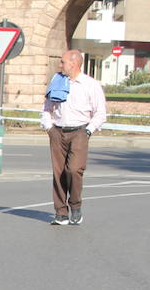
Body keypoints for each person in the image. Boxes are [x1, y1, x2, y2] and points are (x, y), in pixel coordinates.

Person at [41, 48, 107, 226]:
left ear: (74, 63)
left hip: (79, 131)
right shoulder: (57, 81)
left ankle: (75, 206)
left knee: (74, 170)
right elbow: (47, 107)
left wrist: (88, 130)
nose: (60, 64)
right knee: (59, 172)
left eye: (63, 61)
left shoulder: (90, 85)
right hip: (58, 131)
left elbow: (100, 112)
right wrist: (49, 127)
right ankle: (61, 213)